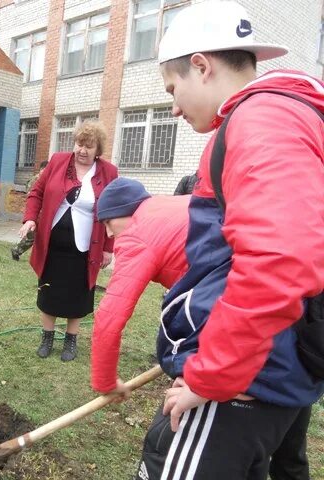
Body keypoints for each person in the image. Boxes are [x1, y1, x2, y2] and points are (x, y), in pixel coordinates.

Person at [134, 2, 324, 479]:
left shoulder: (261, 121)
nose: (174, 106)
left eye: (173, 88)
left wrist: (213, 375)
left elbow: (280, 258)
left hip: (247, 380)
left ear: (202, 65)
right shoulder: (288, 114)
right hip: (279, 363)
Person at [20, 120, 117, 362]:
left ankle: (71, 341)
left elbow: (113, 212)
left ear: (98, 150)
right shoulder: (57, 161)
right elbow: (37, 192)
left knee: (79, 293)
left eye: (89, 146)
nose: (82, 150)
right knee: (48, 291)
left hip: (86, 246)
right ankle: (47, 337)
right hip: (52, 243)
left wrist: (108, 248)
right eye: (79, 144)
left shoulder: (109, 172)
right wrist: (30, 219)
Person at [90, 178, 189, 396]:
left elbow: (109, 318)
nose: (107, 233)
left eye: (108, 222)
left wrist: (105, 382)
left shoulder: (137, 234)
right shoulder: (163, 205)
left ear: (126, 210)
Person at [11, 160, 49, 261]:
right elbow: (32, 196)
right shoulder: (36, 180)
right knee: (32, 236)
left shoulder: (45, 180)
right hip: (35, 213)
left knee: (34, 236)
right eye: (45, 170)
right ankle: (17, 250)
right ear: (41, 169)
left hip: (41, 214)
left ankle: (17, 250)